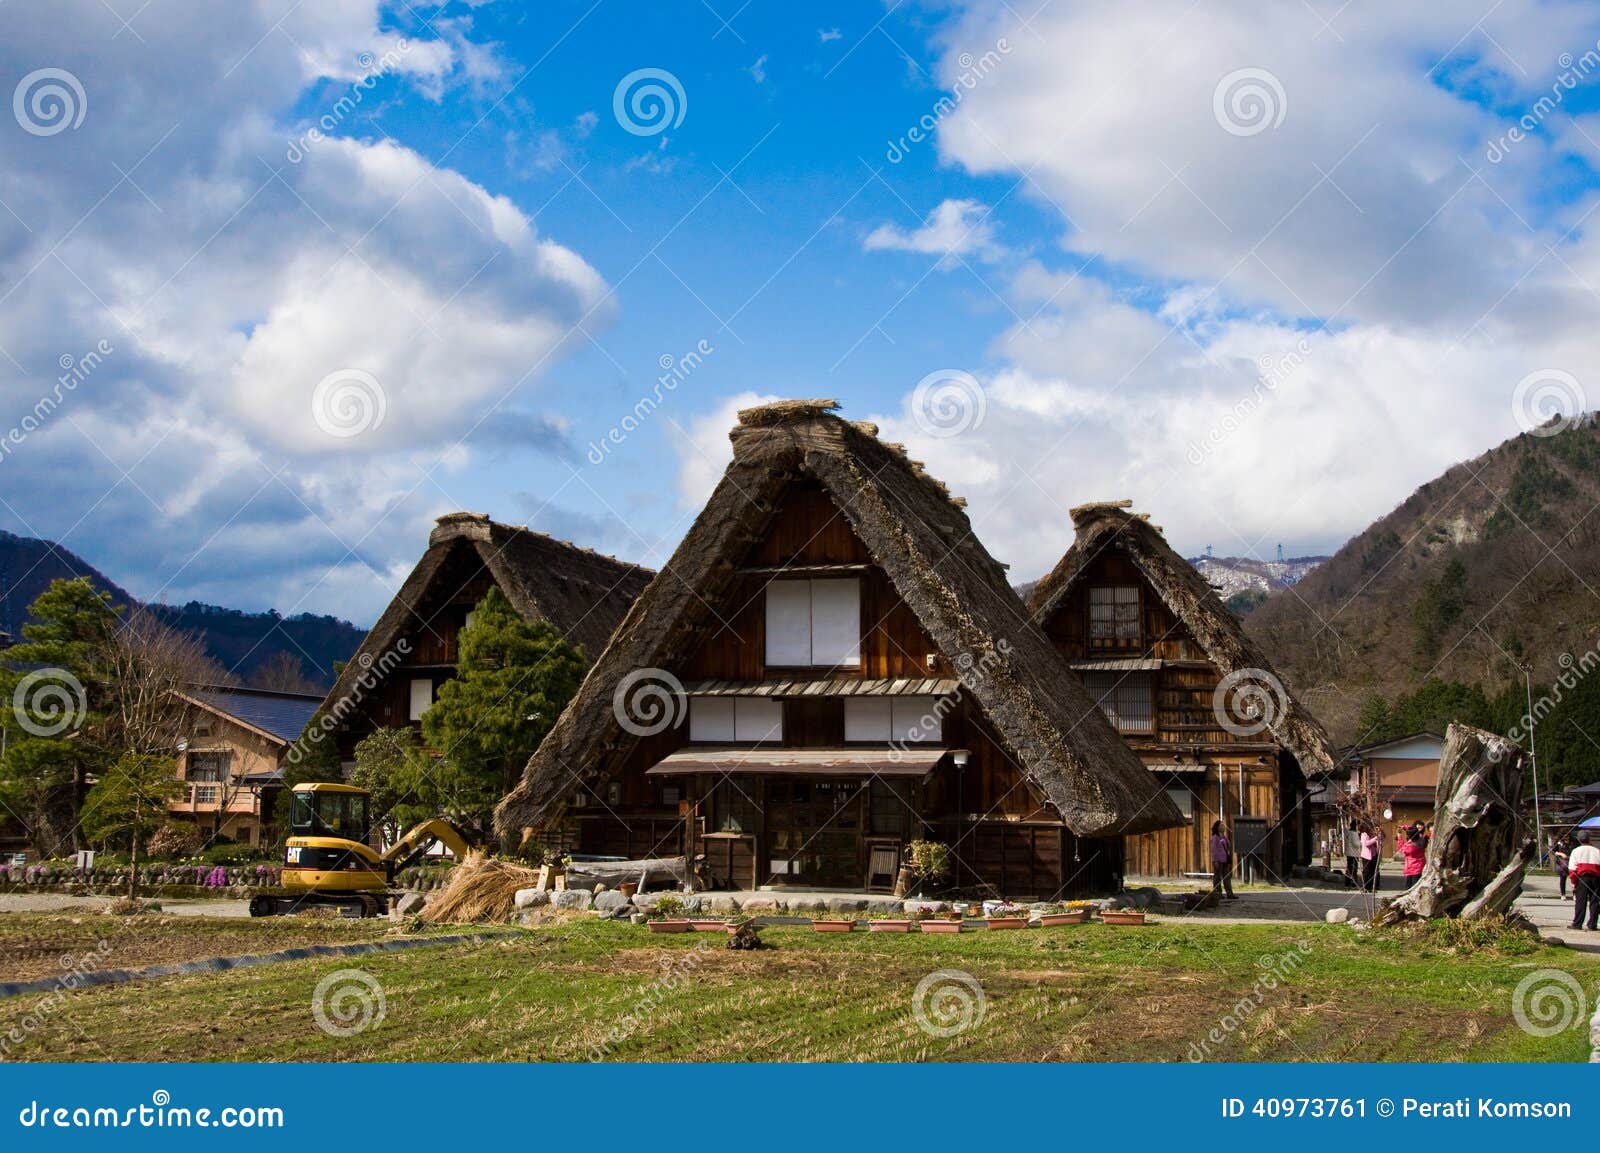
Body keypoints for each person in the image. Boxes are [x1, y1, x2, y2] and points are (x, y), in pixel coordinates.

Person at [1569, 831, 1600, 932]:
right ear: (1589, 839)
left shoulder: (1576, 851)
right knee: (1594, 901)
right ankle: (1592, 924)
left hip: (1582, 878)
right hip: (1596, 878)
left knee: (1580, 901)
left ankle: (1577, 923)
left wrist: (1573, 882)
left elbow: (1572, 869)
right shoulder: (1597, 851)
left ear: (1579, 839)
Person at [1210, 820, 1237, 900]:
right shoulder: (1215, 837)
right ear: (1217, 827)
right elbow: (1214, 850)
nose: (1223, 827)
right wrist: (1215, 860)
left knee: (1227, 877)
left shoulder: (1224, 837)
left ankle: (1230, 893)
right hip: (1218, 860)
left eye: (1223, 825)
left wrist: (1224, 838)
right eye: (1221, 825)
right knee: (1217, 877)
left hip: (1225, 860)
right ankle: (1218, 893)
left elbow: (1228, 846)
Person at [1398, 823, 1426, 888]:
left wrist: (1399, 837)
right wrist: (1405, 827)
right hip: (1420, 865)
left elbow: (1401, 848)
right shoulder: (1421, 839)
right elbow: (1413, 830)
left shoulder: (1411, 847)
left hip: (1411, 867)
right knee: (1417, 885)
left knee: (1411, 886)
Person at [1360, 823, 1382, 893]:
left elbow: (1378, 844)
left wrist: (1378, 836)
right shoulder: (1364, 835)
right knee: (1367, 872)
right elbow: (1366, 844)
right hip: (1366, 856)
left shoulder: (1373, 835)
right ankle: (1366, 887)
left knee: (1373, 872)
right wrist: (1375, 839)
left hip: (1373, 855)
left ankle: (1372, 887)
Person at [1343, 820, 1362, 890]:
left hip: (1349, 853)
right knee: (1353, 869)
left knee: (1349, 869)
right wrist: (1361, 842)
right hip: (1353, 854)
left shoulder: (1349, 832)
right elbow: (1355, 844)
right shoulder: (1354, 833)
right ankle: (1353, 884)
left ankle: (1347, 884)